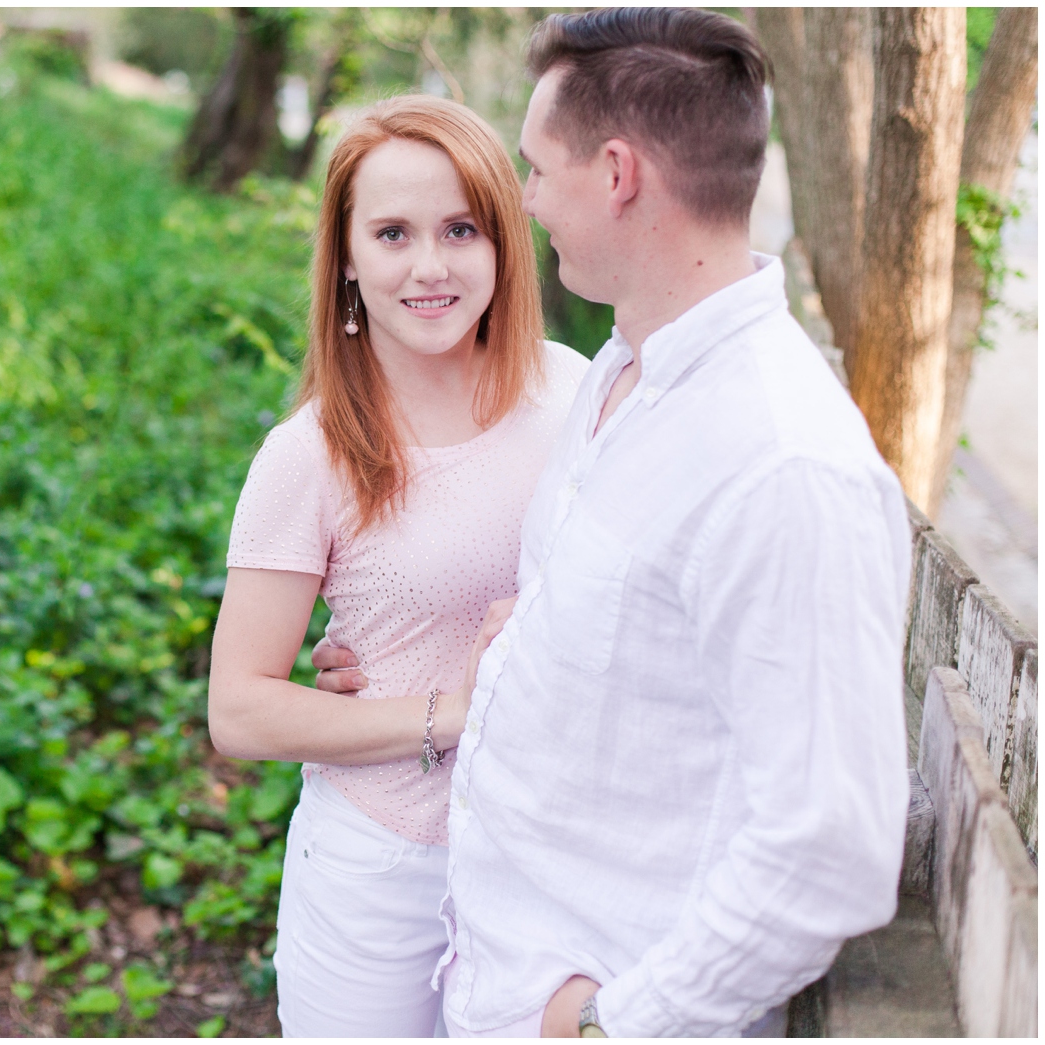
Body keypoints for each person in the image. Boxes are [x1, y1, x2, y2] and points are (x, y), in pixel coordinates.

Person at [312, 9, 911, 1037]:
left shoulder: (781, 462)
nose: (527, 198)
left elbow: (831, 845)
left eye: (540, 168)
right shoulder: (620, 378)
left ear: (619, 173)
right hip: (488, 971)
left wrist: (613, 1026)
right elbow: (616, 633)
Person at [207, 95, 591, 1037]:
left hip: (555, 858)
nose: (430, 265)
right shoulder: (312, 453)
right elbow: (240, 707)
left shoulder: (576, 391)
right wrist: (450, 713)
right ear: (345, 256)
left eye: (461, 228)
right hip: (386, 869)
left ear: (503, 241)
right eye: (391, 232)